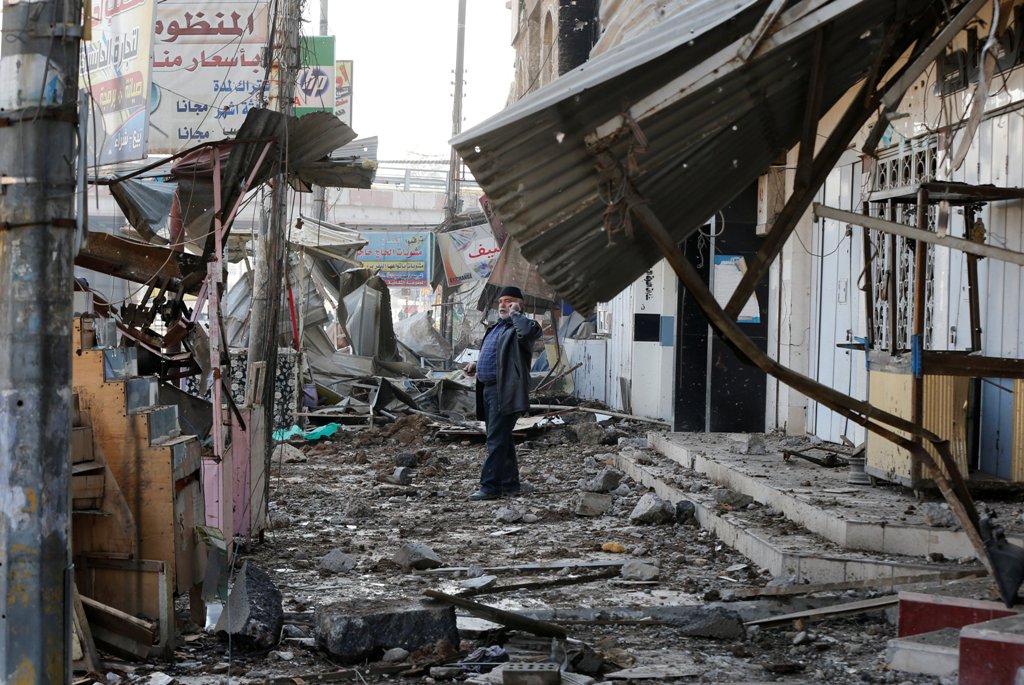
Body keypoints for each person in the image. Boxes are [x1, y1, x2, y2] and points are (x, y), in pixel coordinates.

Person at [464, 286, 542, 500]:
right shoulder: (496, 328)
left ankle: (489, 487)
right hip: (488, 389)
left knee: (496, 441)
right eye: (500, 302)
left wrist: (516, 313)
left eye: (509, 301)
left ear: (519, 304)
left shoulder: (523, 328)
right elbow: (496, 356)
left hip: (504, 391)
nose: (503, 305)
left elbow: (528, 332)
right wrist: (477, 365)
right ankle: (510, 484)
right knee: (502, 439)